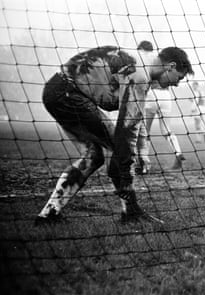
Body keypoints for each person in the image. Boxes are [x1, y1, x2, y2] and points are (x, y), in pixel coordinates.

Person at [35, 45, 194, 224]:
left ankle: (49, 214)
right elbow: (126, 128)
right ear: (170, 66)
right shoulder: (141, 74)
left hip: (57, 90)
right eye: (178, 78)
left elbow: (135, 115)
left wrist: (142, 149)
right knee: (118, 149)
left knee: (94, 155)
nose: (176, 83)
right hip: (68, 93)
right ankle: (131, 212)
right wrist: (125, 166)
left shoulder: (142, 65)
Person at [134, 42, 185, 173]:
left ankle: (144, 164)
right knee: (167, 130)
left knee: (145, 131)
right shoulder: (161, 61)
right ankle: (178, 152)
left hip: (151, 95)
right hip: (166, 97)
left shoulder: (145, 63)